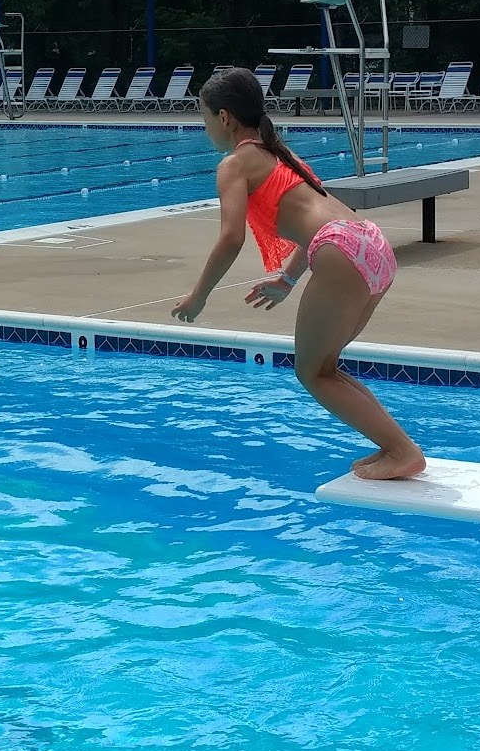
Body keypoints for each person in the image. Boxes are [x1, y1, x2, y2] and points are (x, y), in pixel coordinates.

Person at [171, 66, 425, 480]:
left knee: (311, 372)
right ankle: (395, 447)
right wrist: (287, 279)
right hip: (372, 243)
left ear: (224, 118)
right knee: (326, 368)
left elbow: (231, 237)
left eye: (205, 118)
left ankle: (403, 451)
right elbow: (321, 220)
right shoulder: (280, 154)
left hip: (341, 251)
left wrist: (199, 295)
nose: (205, 129)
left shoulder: (235, 164)